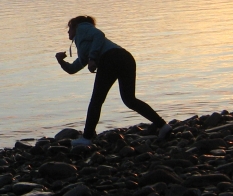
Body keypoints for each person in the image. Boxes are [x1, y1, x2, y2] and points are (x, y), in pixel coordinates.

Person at [55, 15, 172, 146]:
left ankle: (87, 138)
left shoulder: (83, 28)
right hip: (125, 57)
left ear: (75, 26)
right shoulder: (86, 46)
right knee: (129, 100)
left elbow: (99, 34)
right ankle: (162, 125)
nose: (68, 31)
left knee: (96, 100)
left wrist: (93, 58)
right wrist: (61, 61)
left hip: (111, 58)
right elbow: (73, 68)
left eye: (69, 27)